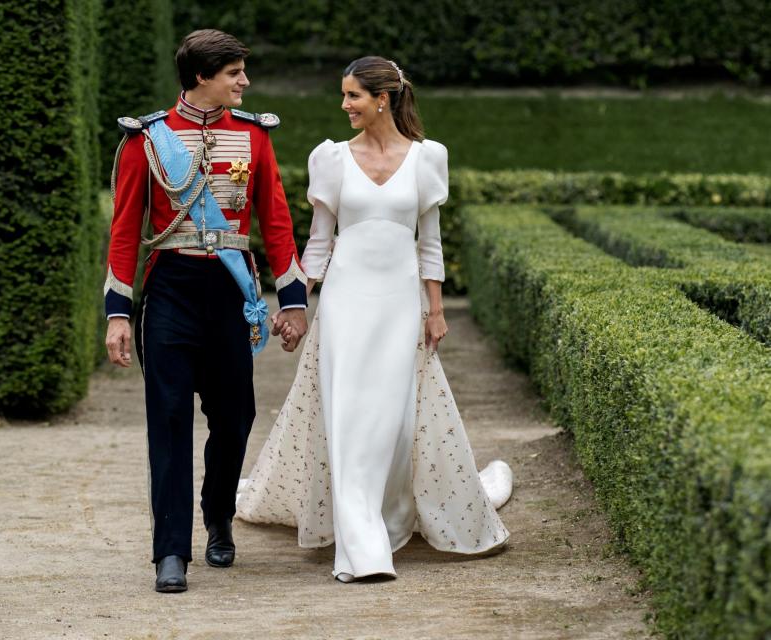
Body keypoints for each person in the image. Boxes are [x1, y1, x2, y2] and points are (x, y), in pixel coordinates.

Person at [237, 57, 511, 582]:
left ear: (382, 98)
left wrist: (435, 311)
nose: (344, 105)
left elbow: (428, 246)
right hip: (345, 303)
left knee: (393, 418)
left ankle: (390, 514)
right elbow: (317, 244)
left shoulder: (430, 158)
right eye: (343, 95)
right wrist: (296, 302)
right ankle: (362, 547)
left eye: (353, 96)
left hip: (399, 305)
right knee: (348, 416)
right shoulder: (331, 159)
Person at [104, 29, 308, 593]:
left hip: (229, 292)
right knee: (167, 423)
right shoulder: (147, 139)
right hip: (170, 289)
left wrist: (291, 301)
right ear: (202, 77)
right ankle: (170, 552)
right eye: (234, 73)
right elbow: (125, 231)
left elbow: (276, 218)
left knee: (236, 416)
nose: (245, 81)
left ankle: (218, 515)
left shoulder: (253, 137)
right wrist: (118, 313)